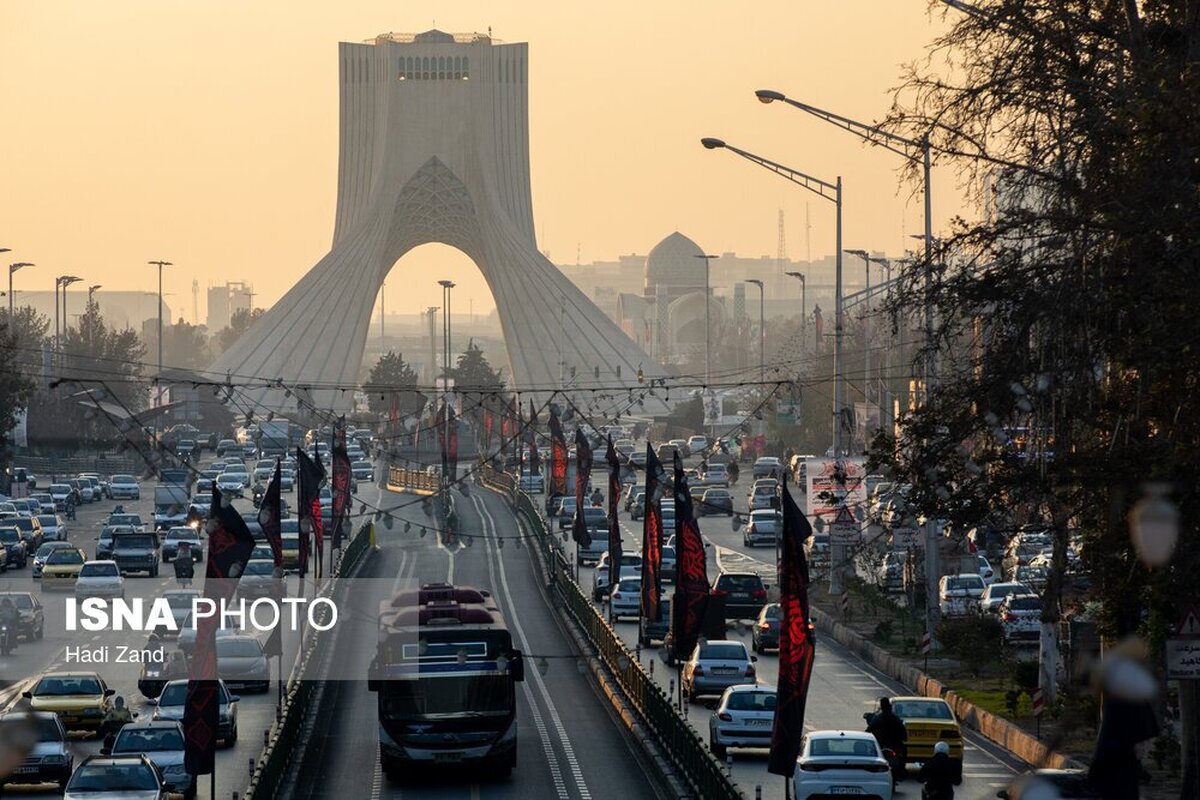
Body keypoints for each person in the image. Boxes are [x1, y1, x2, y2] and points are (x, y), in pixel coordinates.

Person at [866, 697, 907, 783]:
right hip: (892, 744)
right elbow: (903, 732)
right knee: (903, 751)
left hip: (883, 744)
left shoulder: (878, 718)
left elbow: (869, 729)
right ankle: (901, 772)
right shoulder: (895, 718)